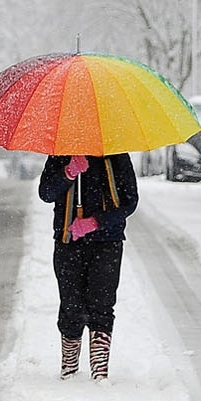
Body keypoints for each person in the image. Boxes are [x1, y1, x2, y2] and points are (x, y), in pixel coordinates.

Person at [39, 152, 138, 380]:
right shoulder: (62, 153)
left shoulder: (116, 154)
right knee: (71, 306)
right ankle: (69, 368)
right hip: (68, 241)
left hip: (107, 243)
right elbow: (45, 193)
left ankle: (99, 373)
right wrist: (69, 172)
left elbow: (130, 201)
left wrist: (96, 222)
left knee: (102, 305)